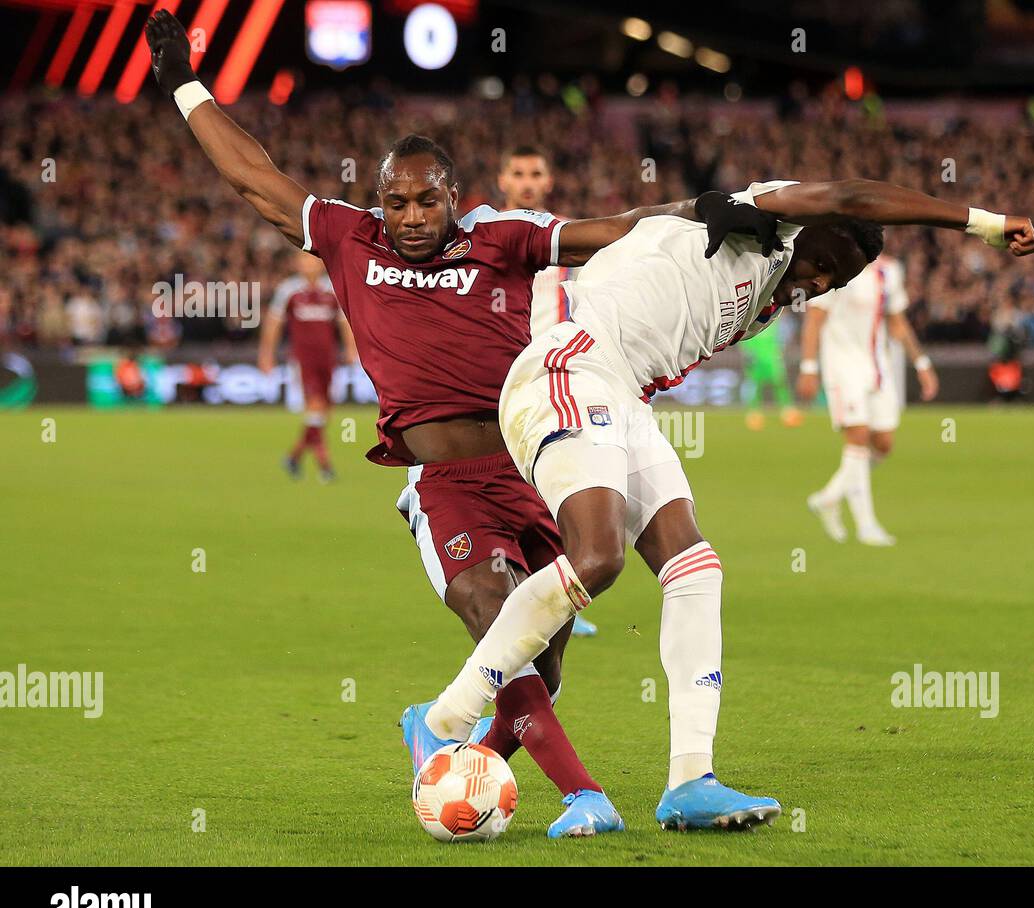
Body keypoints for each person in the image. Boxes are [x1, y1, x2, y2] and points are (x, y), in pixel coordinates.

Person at [144, 10, 776, 838]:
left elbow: (608, 230)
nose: (410, 216)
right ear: (377, 203)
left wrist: (703, 210)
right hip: (446, 485)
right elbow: (253, 177)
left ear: (453, 193)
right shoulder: (345, 238)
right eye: (395, 202)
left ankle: (439, 735)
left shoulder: (501, 237)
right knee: (490, 608)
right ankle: (584, 795)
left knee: (541, 666)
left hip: (537, 465)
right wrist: (183, 84)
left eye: (426, 200)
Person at [411, 179, 1034, 830]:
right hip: (568, 370)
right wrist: (982, 222)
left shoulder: (768, 300)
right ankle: (444, 718)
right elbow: (851, 196)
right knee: (597, 556)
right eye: (823, 264)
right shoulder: (763, 228)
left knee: (695, 568)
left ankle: (689, 780)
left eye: (836, 283)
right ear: (811, 227)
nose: (821, 284)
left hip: (623, 397)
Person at [497, 144, 597, 637]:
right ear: (503, 180)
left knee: (552, 485)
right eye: (518, 172)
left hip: (551, 374)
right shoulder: (486, 234)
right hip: (499, 376)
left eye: (535, 172)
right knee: (511, 491)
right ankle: (531, 595)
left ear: (549, 179)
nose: (527, 181)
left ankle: (551, 597)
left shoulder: (568, 238)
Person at [798, 253, 938, 544]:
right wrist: (809, 368)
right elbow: (814, 319)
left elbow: (897, 323)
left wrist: (921, 363)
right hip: (842, 365)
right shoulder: (835, 266)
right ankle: (866, 525)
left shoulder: (889, 270)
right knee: (858, 436)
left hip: (878, 366)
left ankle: (829, 497)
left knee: (883, 443)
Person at [258, 250, 357, 481]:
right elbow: (273, 324)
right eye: (304, 260)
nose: (309, 264)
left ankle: (294, 457)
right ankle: (325, 466)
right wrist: (266, 354)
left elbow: (345, 322)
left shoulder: (332, 289)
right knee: (315, 406)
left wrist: (351, 349)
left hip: (329, 359)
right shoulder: (289, 290)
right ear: (296, 264)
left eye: (313, 259)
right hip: (303, 360)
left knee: (323, 412)